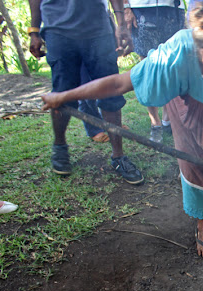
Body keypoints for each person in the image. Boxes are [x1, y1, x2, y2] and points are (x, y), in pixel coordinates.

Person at [40, 3, 203, 260]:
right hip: (191, 109)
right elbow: (120, 82)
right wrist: (64, 95)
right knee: (195, 155)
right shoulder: (175, 56)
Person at [28, 0, 143, 185]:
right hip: (57, 28)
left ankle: (118, 156)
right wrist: (34, 30)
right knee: (61, 92)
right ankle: (60, 147)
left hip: (98, 28)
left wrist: (121, 23)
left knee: (110, 91)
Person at [124, 0, 185, 143]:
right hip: (142, 9)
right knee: (148, 70)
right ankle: (155, 122)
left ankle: (167, 119)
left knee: (172, 67)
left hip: (173, 9)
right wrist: (126, 7)